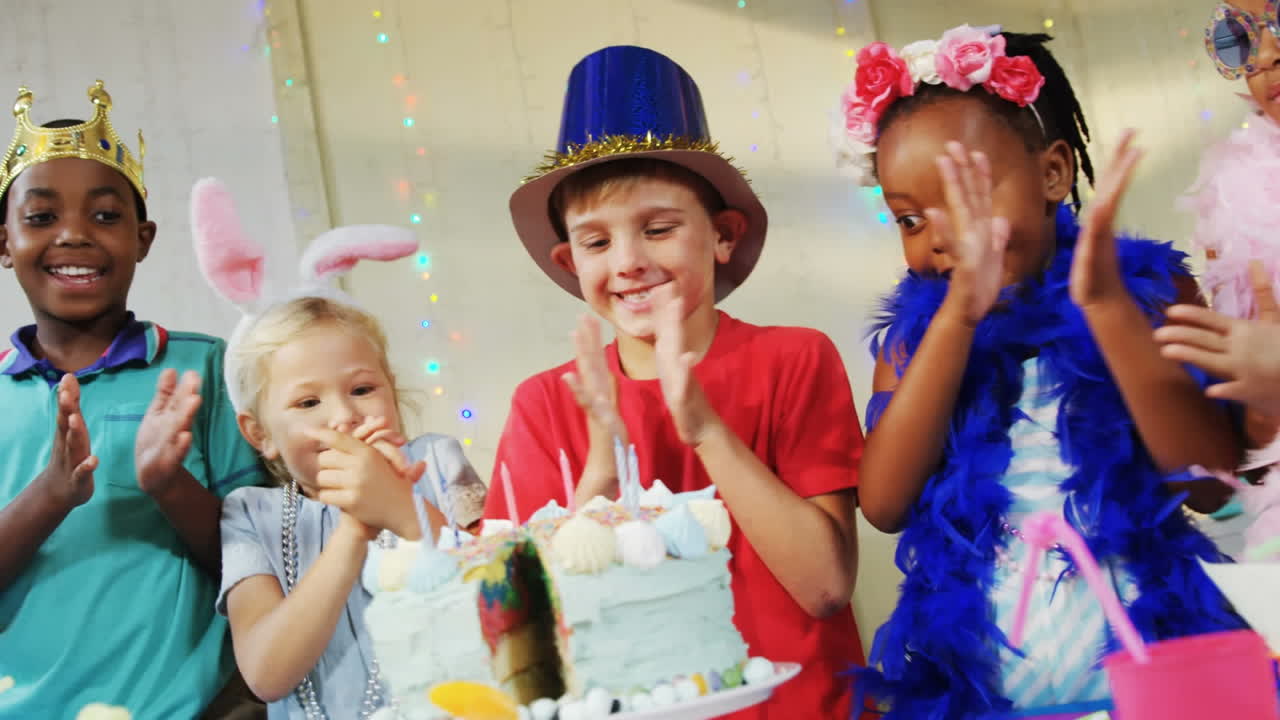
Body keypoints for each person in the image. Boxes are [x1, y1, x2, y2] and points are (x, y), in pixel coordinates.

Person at [834, 27, 1244, 717]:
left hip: (1158, 680)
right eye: (909, 218)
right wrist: (957, 319)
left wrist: (1113, 317)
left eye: (968, 198)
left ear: (1053, 174)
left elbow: (1212, 486)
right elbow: (882, 504)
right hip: (989, 693)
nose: (941, 236)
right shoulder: (913, 344)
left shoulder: (1147, 292)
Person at [490, 45, 865, 718]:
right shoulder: (545, 404)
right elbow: (528, 636)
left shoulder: (794, 359)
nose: (629, 262)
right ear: (568, 259)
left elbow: (826, 587)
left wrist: (705, 429)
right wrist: (601, 470)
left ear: (722, 235)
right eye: (597, 243)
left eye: (658, 229)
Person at [0, 83, 267, 718]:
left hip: (189, 706)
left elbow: (272, 561)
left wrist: (168, 483)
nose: (73, 235)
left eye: (105, 215)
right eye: (40, 217)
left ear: (143, 238)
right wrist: (52, 494)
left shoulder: (205, 366)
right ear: (3, 243)